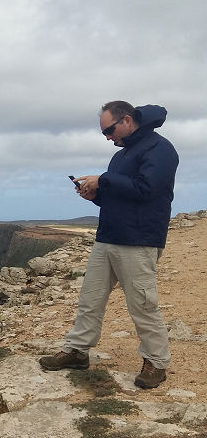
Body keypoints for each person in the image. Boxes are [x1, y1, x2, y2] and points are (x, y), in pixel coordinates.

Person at [39, 101, 178, 389]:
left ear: (127, 120)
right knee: (91, 298)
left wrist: (103, 180)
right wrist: (95, 195)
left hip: (139, 239)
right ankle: (77, 351)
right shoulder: (122, 156)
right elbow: (118, 194)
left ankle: (156, 362)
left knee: (142, 303)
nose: (107, 137)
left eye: (109, 130)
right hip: (109, 236)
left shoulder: (160, 149)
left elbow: (146, 189)